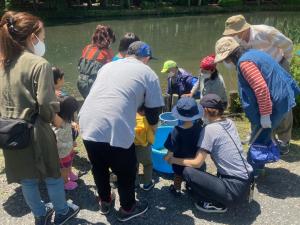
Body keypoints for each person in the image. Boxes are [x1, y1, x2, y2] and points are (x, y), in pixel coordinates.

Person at [0, 11, 79, 225]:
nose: (43, 42)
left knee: (27, 179)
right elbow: (45, 106)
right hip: (34, 130)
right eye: (42, 38)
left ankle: (40, 214)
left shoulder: (3, 62)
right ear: (32, 37)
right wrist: (59, 120)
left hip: (8, 131)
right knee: (53, 175)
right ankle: (62, 212)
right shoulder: (38, 63)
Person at [79, 41, 164, 222]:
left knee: (99, 166)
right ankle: (128, 209)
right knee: (126, 171)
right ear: (146, 58)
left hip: (87, 121)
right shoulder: (148, 73)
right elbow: (153, 115)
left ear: (127, 54)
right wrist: (149, 124)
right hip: (115, 126)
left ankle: (105, 200)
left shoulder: (109, 66)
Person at [214, 36, 300, 175]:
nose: (225, 62)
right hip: (279, 99)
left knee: (259, 139)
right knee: (262, 136)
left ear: (230, 56)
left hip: (274, 103)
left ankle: (252, 172)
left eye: (225, 59)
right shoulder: (254, 53)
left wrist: (265, 115)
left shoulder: (245, 63)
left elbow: (261, 88)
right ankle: (258, 166)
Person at [167, 94, 253, 213]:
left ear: (206, 111)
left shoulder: (209, 129)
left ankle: (217, 204)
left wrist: (173, 160)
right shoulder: (229, 122)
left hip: (234, 189)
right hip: (248, 178)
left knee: (188, 171)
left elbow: (197, 163)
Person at [223, 14, 294, 153]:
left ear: (244, 29)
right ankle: (264, 136)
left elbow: (288, 45)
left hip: (276, 65)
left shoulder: (265, 32)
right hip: (254, 69)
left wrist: (282, 65)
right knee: (254, 101)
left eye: (235, 33)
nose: (233, 36)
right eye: (231, 33)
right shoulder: (235, 40)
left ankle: (284, 140)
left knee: (282, 102)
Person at [164, 97, 205, 196]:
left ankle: (176, 190)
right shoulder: (199, 128)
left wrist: (167, 158)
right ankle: (190, 186)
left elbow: (170, 151)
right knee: (192, 175)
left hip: (179, 162)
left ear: (178, 115)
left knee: (178, 176)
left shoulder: (176, 131)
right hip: (193, 161)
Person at [77, 24, 115, 98]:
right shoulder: (107, 52)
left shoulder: (87, 48)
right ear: (108, 39)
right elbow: (111, 73)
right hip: (93, 85)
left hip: (80, 83)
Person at [52, 96, 79, 191]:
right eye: (73, 112)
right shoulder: (58, 127)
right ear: (68, 112)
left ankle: (69, 173)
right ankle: (65, 182)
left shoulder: (65, 119)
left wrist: (72, 123)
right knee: (63, 168)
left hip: (68, 150)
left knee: (70, 162)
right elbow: (57, 142)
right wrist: (70, 144)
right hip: (62, 153)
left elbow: (68, 123)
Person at [134, 106, 155, 191]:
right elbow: (150, 137)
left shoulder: (130, 116)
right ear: (144, 111)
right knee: (148, 164)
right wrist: (151, 143)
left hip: (131, 147)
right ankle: (147, 184)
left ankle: (134, 184)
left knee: (134, 165)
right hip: (143, 147)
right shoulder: (145, 120)